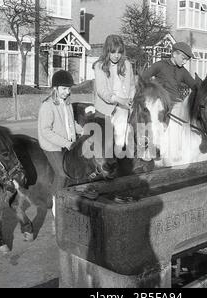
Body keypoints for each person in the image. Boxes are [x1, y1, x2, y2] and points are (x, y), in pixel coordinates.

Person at [38, 70, 83, 217]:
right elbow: (46, 131)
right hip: (52, 146)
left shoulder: (67, 104)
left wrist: (83, 130)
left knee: (75, 171)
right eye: (64, 89)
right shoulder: (47, 106)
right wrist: (66, 143)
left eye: (69, 89)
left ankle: (68, 198)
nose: (67, 92)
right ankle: (55, 204)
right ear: (55, 88)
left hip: (67, 143)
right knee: (62, 174)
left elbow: (71, 123)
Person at [93, 34, 135, 147]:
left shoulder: (127, 65)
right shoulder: (99, 66)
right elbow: (102, 91)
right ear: (107, 51)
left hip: (124, 109)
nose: (117, 56)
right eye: (113, 52)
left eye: (119, 52)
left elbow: (132, 86)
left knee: (123, 143)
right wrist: (120, 100)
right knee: (105, 145)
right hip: (105, 110)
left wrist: (131, 98)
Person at [142, 42, 197, 106]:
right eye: (183, 58)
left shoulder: (183, 71)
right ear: (174, 54)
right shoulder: (160, 65)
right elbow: (143, 77)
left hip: (176, 105)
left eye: (187, 60)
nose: (185, 62)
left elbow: (194, 86)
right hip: (160, 105)